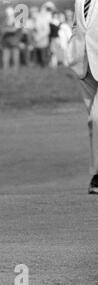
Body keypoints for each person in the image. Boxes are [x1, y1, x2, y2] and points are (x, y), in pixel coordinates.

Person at [68, 0, 98, 194]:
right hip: (84, 64)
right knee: (92, 123)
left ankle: (97, 175)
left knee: (96, 119)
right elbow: (77, 24)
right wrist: (71, 52)